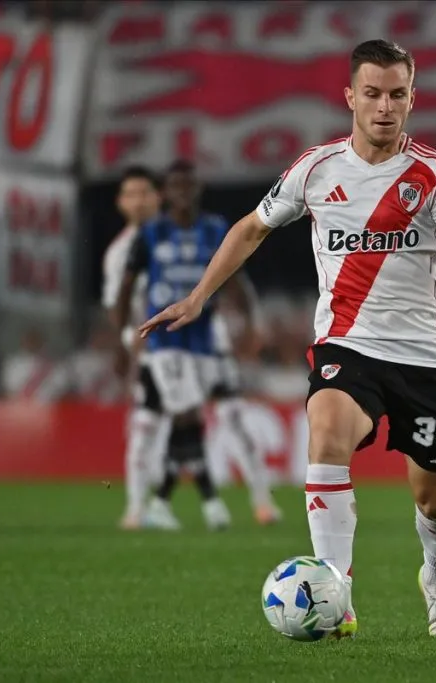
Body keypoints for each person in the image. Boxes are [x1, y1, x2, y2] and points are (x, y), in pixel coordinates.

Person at [139, 39, 436, 638]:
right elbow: (253, 228)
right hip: (346, 344)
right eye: (372, 94)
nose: (384, 107)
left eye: (397, 94)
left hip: (425, 355)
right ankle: (335, 590)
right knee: (327, 429)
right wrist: (199, 296)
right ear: (350, 98)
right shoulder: (315, 169)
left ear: (413, 99)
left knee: (435, 500)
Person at [117, 160, 249, 531]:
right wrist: (122, 341)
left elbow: (233, 275)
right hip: (161, 340)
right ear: (165, 192)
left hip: (202, 341)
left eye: (188, 184)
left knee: (187, 419)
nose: (182, 192)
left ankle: (160, 501)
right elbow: (126, 289)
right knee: (182, 416)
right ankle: (209, 501)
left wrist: (247, 320)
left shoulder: (214, 229)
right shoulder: (151, 233)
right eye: (175, 185)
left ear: (198, 188)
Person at [101, 165, 164, 530]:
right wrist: (125, 347)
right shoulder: (119, 252)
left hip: (195, 348)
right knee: (144, 427)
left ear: (158, 197)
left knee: (228, 419)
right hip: (150, 351)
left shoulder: (180, 235)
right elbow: (117, 308)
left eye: (145, 192)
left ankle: (258, 502)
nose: (138, 201)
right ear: (121, 203)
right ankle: (137, 507)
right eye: (131, 194)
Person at [209, 279, 283, 526]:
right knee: (166, 422)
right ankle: (143, 506)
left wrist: (250, 325)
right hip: (177, 351)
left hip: (215, 357)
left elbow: (238, 285)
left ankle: (262, 501)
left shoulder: (208, 248)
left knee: (234, 421)